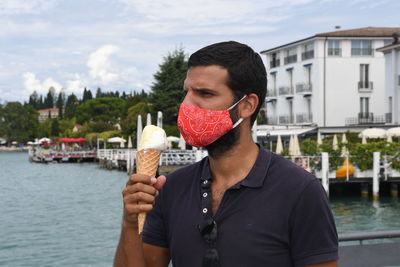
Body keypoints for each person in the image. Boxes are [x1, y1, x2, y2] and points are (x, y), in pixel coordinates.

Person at [114, 41, 338, 267]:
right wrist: (131, 222)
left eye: (205, 93)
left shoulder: (299, 190)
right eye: (187, 93)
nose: (186, 104)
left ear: (247, 105)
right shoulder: (169, 187)